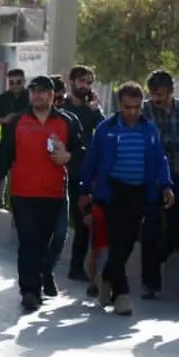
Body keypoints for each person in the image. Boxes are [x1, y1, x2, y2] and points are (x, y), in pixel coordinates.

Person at [0, 75, 83, 313]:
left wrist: (68, 157)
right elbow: (4, 158)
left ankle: (41, 277)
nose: (37, 96)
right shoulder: (18, 122)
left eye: (42, 92)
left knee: (45, 243)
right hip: (23, 193)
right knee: (28, 242)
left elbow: (82, 151)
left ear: (51, 95)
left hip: (53, 194)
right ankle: (29, 291)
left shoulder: (67, 122)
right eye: (33, 91)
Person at [77, 81, 173, 317]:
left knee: (127, 243)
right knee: (117, 242)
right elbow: (92, 161)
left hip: (139, 193)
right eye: (128, 107)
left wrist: (166, 185)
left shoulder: (149, 130)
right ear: (120, 105)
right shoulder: (106, 129)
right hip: (112, 192)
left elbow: (160, 159)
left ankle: (106, 279)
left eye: (137, 107)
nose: (132, 112)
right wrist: (84, 190)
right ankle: (122, 296)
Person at [142, 69, 179, 300]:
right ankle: (150, 283)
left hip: (176, 173)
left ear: (170, 92)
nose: (156, 99)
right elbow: (148, 142)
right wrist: (171, 143)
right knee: (151, 228)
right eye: (153, 94)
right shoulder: (145, 109)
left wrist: (165, 142)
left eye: (161, 94)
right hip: (150, 176)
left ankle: (156, 260)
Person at [60, 65, 105, 281]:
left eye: (88, 82)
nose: (85, 86)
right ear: (71, 81)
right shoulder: (61, 106)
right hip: (60, 171)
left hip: (82, 174)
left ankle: (76, 267)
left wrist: (96, 109)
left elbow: (104, 130)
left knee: (84, 221)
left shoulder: (91, 110)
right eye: (81, 81)